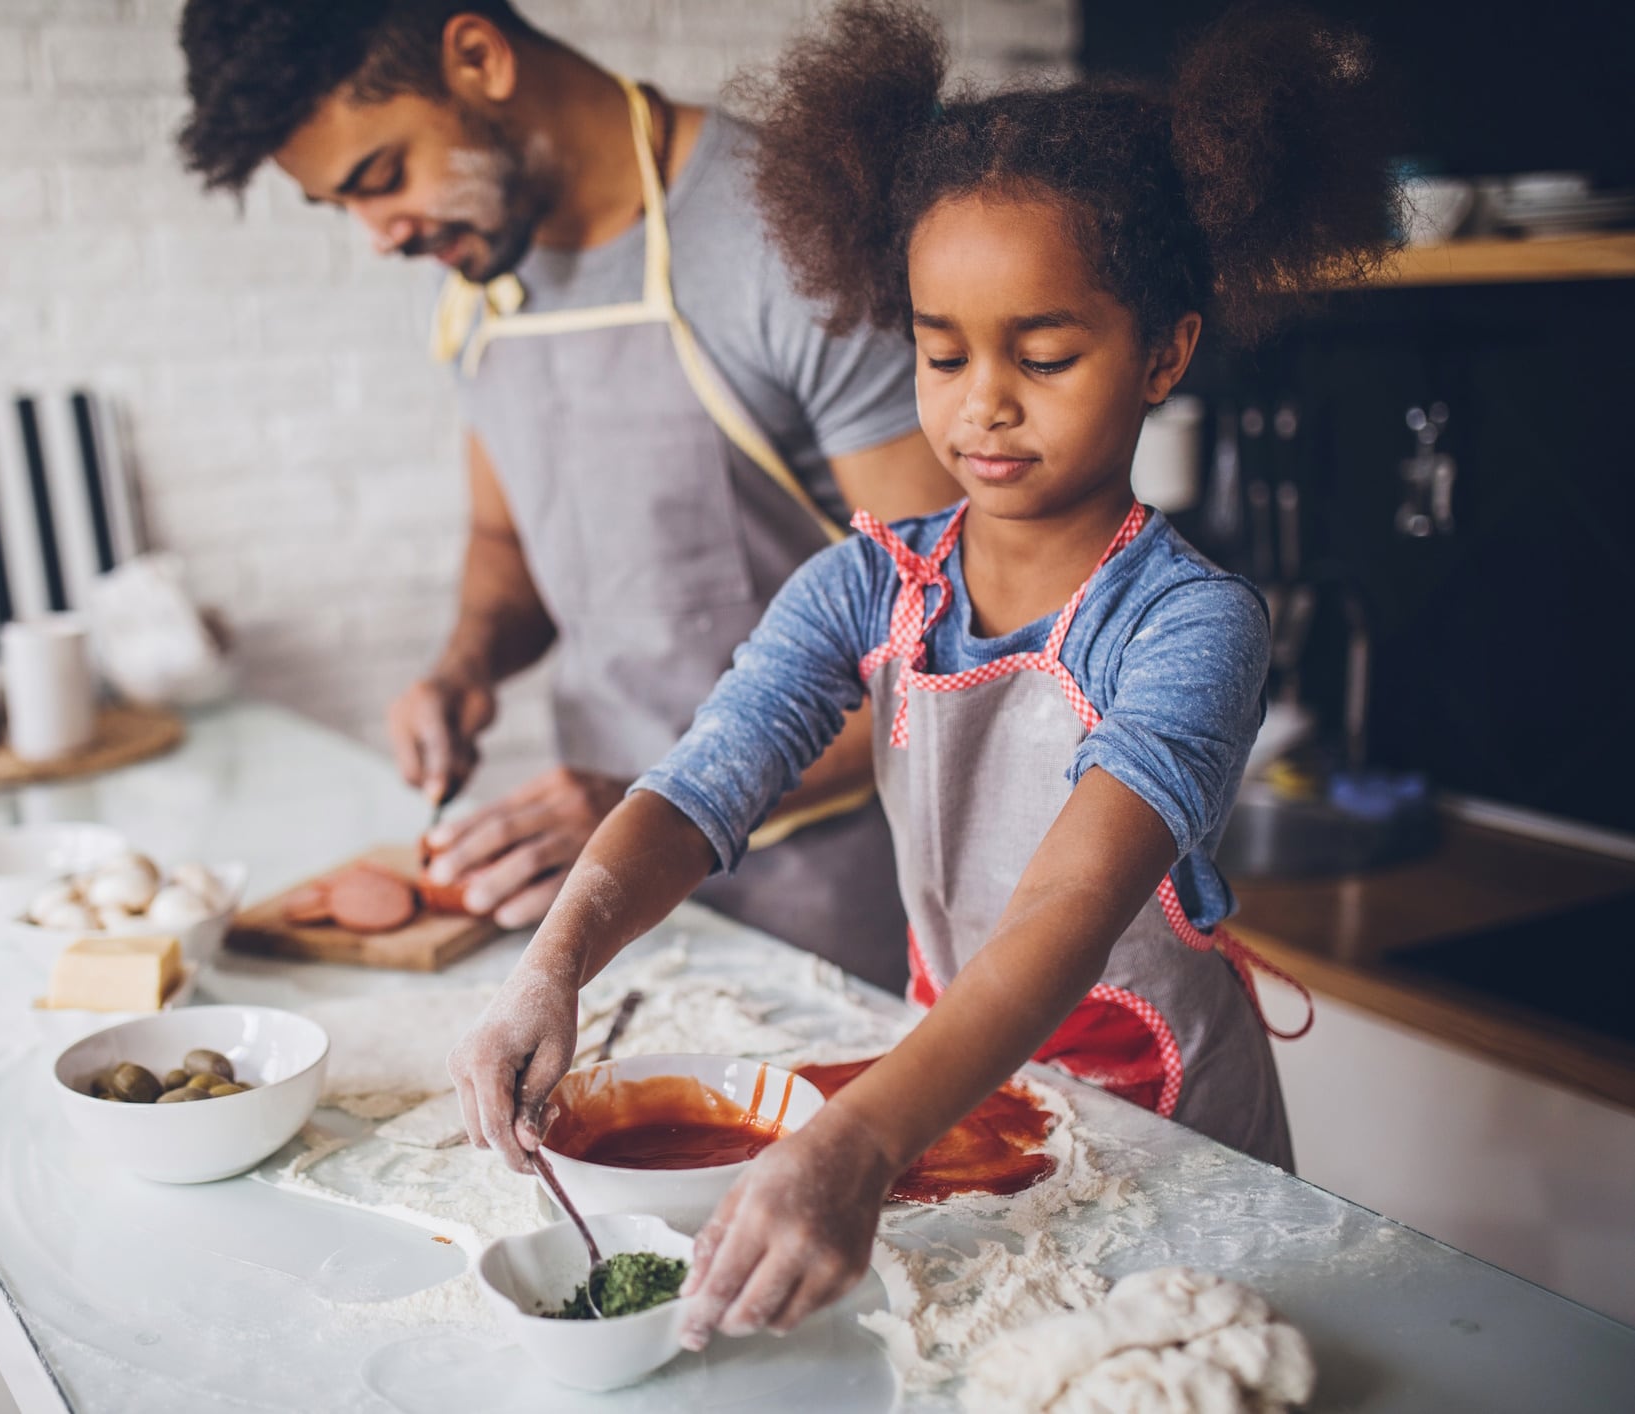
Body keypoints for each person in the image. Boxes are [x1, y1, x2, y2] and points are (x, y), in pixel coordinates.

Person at [447, 0, 1395, 1350]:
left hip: (1162, 1121)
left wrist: (864, 1131)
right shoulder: (866, 581)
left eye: (1043, 354)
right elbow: (704, 779)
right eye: (940, 352)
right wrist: (554, 961)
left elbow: (1064, 912)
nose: (978, 403)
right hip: (953, 1091)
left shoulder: (1190, 624)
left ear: (1165, 353)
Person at [176, 1, 961, 991]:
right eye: (343, 206)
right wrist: (466, 666)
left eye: (381, 178)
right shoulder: (474, 262)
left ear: (477, 57)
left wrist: (661, 806)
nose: (379, 237)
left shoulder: (789, 235)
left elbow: (944, 652)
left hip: (830, 914)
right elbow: (510, 543)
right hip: (601, 899)